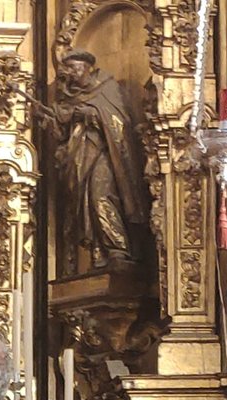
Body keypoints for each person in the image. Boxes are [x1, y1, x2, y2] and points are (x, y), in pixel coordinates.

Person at [36, 48, 148, 271]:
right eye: (68, 69)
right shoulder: (69, 98)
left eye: (74, 68)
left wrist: (94, 115)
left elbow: (121, 122)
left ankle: (118, 246)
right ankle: (100, 251)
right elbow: (62, 136)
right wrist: (50, 120)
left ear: (87, 68)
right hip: (79, 157)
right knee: (86, 202)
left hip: (104, 154)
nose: (71, 73)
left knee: (101, 195)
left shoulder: (107, 88)